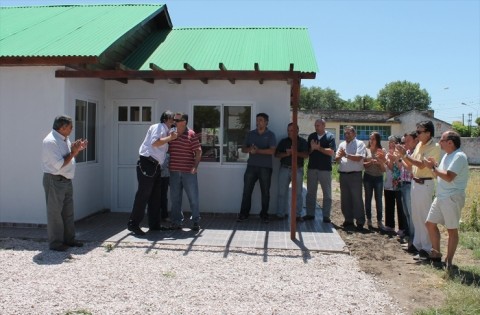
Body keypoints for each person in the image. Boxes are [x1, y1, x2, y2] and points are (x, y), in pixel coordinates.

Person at [396, 120, 440, 261]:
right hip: (415, 183)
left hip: (425, 183)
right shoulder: (420, 145)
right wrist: (403, 156)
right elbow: (411, 163)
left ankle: (427, 249)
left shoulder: (435, 146)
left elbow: (421, 165)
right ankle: (418, 245)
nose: (418, 134)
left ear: (428, 133)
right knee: (416, 216)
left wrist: (405, 155)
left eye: (420, 132)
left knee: (424, 217)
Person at [42, 115, 88, 251]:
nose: (72, 129)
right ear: (62, 127)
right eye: (70, 127)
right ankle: (56, 243)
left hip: (66, 180)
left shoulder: (64, 139)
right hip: (55, 180)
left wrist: (76, 149)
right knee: (55, 213)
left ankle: (69, 240)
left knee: (68, 212)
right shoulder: (51, 141)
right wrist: (73, 153)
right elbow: (59, 164)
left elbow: (68, 157)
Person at [424, 131, 469, 268]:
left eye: (442, 140)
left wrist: (433, 167)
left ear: (450, 142)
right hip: (441, 196)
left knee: (452, 230)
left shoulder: (459, 156)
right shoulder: (447, 156)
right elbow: (440, 174)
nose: (440, 142)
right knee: (429, 223)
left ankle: (449, 262)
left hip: (452, 197)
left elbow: (449, 177)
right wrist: (433, 166)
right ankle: (436, 254)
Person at [127, 110, 176, 236]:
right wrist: (170, 138)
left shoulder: (165, 131)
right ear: (166, 119)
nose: (174, 122)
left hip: (155, 165)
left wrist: (170, 136)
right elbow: (155, 143)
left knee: (156, 196)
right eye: (172, 119)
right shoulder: (159, 127)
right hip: (147, 163)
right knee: (143, 194)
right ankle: (133, 224)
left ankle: (154, 225)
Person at [237, 113, 277, 223]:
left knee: (265, 192)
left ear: (266, 122)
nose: (258, 122)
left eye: (260, 120)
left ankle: (264, 215)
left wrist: (258, 151)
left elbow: (272, 151)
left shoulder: (270, 135)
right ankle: (243, 214)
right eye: (257, 120)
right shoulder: (251, 134)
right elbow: (243, 149)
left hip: (265, 168)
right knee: (247, 191)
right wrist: (250, 149)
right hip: (251, 166)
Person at [168, 112, 202, 231]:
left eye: (177, 120)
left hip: (188, 172)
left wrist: (195, 166)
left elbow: (198, 151)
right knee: (175, 199)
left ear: (184, 122)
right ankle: (176, 222)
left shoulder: (191, 134)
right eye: (174, 120)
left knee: (193, 198)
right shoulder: (171, 134)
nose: (174, 122)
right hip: (174, 172)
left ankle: (195, 221)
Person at [275, 123, 309, 220]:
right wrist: (286, 153)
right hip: (284, 169)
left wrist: (295, 153)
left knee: (298, 193)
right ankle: (281, 214)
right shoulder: (283, 141)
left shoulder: (302, 142)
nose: (289, 132)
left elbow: (306, 155)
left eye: (292, 130)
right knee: (282, 193)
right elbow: (276, 155)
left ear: (297, 131)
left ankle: (298, 215)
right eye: (288, 130)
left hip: (297, 169)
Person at [335, 126, 366, 230]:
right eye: (345, 133)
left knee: (356, 198)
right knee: (345, 199)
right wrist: (338, 157)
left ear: (354, 134)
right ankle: (348, 220)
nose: (346, 135)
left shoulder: (360, 144)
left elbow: (358, 158)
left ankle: (360, 221)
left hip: (355, 174)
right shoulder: (342, 144)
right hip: (343, 174)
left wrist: (346, 155)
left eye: (349, 133)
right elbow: (337, 157)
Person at [305, 118, 336, 223]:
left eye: (318, 125)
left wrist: (319, 148)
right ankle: (310, 214)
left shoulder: (330, 137)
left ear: (324, 126)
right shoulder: (311, 137)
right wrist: (312, 149)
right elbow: (306, 153)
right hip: (312, 168)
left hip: (325, 169)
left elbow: (331, 152)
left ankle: (326, 216)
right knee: (310, 193)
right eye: (315, 126)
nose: (316, 127)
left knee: (327, 193)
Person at [382, 136, 407, 235]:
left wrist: (393, 159)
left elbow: (397, 168)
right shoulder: (388, 154)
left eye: (393, 142)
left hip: (398, 182)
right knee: (389, 204)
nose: (390, 144)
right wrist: (384, 159)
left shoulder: (401, 154)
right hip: (388, 182)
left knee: (400, 207)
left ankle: (402, 227)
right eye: (389, 142)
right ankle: (389, 225)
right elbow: (386, 168)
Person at [399, 131, 418, 252]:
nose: (406, 143)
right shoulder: (407, 153)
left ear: (416, 140)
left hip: (410, 184)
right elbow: (401, 167)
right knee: (406, 213)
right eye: (405, 141)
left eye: (408, 140)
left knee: (412, 215)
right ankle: (411, 239)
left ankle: (413, 241)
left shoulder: (415, 154)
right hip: (404, 183)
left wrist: (402, 158)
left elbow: (411, 168)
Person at [362, 132, 386, 229]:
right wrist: (370, 162)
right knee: (368, 199)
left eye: (373, 139)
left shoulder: (382, 150)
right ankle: (369, 220)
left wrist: (379, 161)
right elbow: (364, 165)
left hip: (378, 177)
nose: (371, 141)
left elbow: (383, 167)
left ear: (377, 140)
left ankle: (379, 221)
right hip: (368, 176)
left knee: (379, 200)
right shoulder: (366, 150)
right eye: (370, 138)